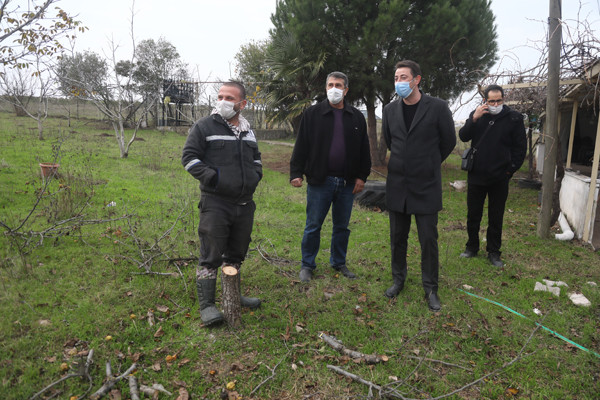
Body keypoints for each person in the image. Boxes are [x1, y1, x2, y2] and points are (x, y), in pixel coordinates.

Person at [182, 81, 263, 326]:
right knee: (211, 253)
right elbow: (189, 158)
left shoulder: (248, 131)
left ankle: (233, 295)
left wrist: (255, 176)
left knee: (236, 253)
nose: (223, 102)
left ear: (242, 104)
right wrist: (214, 178)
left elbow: (256, 159)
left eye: (229, 98)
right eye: (220, 96)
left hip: (244, 204)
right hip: (216, 203)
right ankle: (207, 305)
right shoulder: (204, 126)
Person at [382, 60, 456, 312]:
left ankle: (431, 288)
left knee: (428, 239)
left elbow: (448, 141)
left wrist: (429, 162)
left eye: (403, 77)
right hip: (397, 184)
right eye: (396, 78)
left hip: (426, 184)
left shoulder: (437, 107)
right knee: (397, 237)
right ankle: (398, 280)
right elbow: (390, 141)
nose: (399, 82)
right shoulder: (390, 110)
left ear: (417, 80)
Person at [290, 71, 371, 283]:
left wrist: (362, 176)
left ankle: (339, 262)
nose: (334, 89)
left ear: (346, 90)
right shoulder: (313, 114)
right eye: (330, 85)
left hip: (347, 182)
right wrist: (296, 172)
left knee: (342, 226)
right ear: (326, 88)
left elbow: (364, 149)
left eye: (339, 85)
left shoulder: (356, 117)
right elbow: (301, 145)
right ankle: (307, 265)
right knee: (313, 225)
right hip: (320, 181)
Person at [458, 84, 526, 267]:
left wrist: (510, 170)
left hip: (500, 177)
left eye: (498, 100)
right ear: (485, 101)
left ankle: (494, 252)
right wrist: (474, 118)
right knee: (473, 215)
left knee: (496, 217)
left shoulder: (514, 118)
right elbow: (463, 136)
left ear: (504, 99)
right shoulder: (478, 115)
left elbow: (520, 148)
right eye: (491, 101)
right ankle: (471, 247)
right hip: (477, 175)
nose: (495, 104)